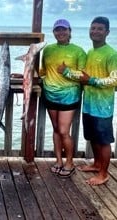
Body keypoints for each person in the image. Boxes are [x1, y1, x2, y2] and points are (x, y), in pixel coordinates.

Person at [58, 16, 117, 185]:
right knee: (92, 138)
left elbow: (115, 79)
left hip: (103, 107)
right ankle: (97, 164)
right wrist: (67, 72)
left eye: (99, 29)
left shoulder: (112, 54)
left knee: (103, 141)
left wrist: (92, 81)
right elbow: (83, 76)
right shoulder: (90, 52)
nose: (95, 31)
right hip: (89, 105)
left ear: (107, 32)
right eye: (93, 28)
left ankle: (104, 174)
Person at [39, 19, 87, 177]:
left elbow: (83, 76)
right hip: (49, 94)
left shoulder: (79, 51)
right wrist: (26, 75)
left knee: (64, 131)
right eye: (57, 30)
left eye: (63, 30)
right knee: (56, 130)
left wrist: (66, 71)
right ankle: (59, 160)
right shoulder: (48, 50)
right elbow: (44, 71)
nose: (60, 33)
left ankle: (70, 162)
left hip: (69, 96)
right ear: (53, 32)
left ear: (69, 31)